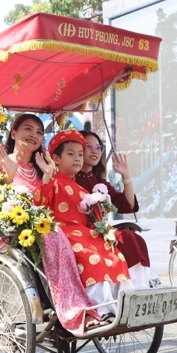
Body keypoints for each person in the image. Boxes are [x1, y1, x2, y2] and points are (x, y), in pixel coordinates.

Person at [0, 115, 111, 332]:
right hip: (15, 229)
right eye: (28, 129)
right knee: (55, 236)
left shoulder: (41, 167)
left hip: (44, 225)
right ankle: (75, 311)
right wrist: (9, 173)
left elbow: (46, 202)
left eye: (39, 132)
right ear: (13, 134)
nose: (34, 135)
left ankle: (106, 304)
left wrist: (46, 175)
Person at [39, 130, 134, 316]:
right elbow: (39, 206)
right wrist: (46, 177)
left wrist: (106, 230)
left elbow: (92, 220)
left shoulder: (82, 190)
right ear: (56, 159)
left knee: (114, 255)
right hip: (65, 236)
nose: (77, 158)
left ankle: (122, 306)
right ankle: (100, 309)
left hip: (86, 235)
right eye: (71, 154)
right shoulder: (52, 183)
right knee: (93, 258)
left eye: (80, 154)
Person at [76, 130, 160, 288]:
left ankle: (140, 287)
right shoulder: (68, 179)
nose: (95, 151)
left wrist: (126, 176)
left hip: (100, 231)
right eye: (89, 146)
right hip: (79, 234)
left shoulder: (98, 182)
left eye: (98, 147)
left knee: (132, 239)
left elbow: (126, 205)